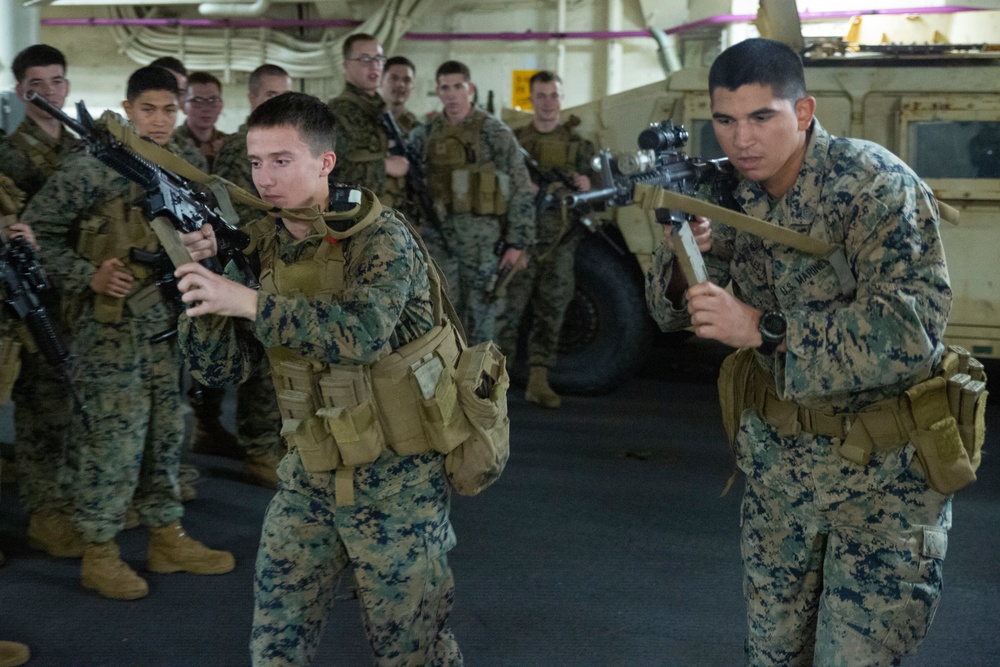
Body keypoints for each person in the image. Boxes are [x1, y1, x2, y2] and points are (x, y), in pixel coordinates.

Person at [645, 38, 954, 666]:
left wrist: (763, 328)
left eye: (763, 117)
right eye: (726, 121)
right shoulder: (729, 194)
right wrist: (686, 247)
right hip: (780, 483)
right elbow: (670, 311)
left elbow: (911, 331)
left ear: (804, 111)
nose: (742, 139)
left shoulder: (875, 185)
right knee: (773, 658)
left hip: (882, 486)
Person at [175, 91, 462, 666]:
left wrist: (251, 303)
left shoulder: (381, 236)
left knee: (413, 651)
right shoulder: (260, 244)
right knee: (275, 643)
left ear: (325, 162)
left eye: (282, 161)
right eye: (255, 163)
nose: (265, 179)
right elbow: (220, 369)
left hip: (397, 482)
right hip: (308, 473)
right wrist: (206, 282)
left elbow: (362, 335)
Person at [20, 66, 235, 601]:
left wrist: (208, 244)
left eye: (169, 109)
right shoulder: (91, 169)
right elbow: (34, 234)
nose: (160, 121)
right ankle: (100, 552)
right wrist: (86, 276)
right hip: (109, 330)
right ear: (127, 107)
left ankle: (167, 535)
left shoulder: (177, 167)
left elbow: (209, 229)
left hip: (168, 322)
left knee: (166, 434)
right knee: (111, 443)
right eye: (148, 110)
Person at [0, 44, 86, 559]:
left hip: (76, 291)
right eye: (38, 82)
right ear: (20, 90)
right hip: (31, 296)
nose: (48, 91)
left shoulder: (82, 147)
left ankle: (66, 497)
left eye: (57, 80)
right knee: (39, 407)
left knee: (70, 402)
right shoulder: (9, 153)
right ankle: (44, 512)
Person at [196, 63, 292, 484]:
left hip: (280, 256)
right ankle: (259, 449)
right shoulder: (243, 146)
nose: (278, 102)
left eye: (284, 94)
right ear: (253, 99)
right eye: (271, 95)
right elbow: (238, 209)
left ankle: (275, 439)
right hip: (249, 259)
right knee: (261, 358)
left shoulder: (285, 142)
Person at [409, 60, 534, 343]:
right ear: (438, 92)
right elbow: (410, 188)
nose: (452, 94)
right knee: (441, 320)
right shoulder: (424, 135)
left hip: (484, 245)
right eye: (445, 88)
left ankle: (483, 386)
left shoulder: (495, 133)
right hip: (438, 243)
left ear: (470, 89)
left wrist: (517, 243)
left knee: (483, 323)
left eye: (458, 86)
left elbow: (520, 187)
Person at [496, 71, 595, 408]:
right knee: (507, 313)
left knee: (552, 311)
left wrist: (586, 185)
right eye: (541, 96)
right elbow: (499, 188)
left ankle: (539, 380)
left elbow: (599, 193)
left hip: (561, 242)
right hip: (522, 242)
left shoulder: (578, 146)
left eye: (554, 95)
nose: (548, 103)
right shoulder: (516, 142)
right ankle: (496, 384)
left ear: (561, 99)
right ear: (532, 99)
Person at [326, 33, 409, 203]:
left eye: (378, 59)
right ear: (346, 65)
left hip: (389, 216)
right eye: (365, 59)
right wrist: (385, 166)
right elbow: (330, 172)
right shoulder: (336, 113)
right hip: (356, 219)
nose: (374, 66)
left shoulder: (381, 111)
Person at [173, 71, 228, 170]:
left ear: (221, 106)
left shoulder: (230, 145)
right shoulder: (172, 144)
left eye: (213, 100)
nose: (206, 108)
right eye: (197, 101)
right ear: (182, 106)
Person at [381, 55, 419, 134]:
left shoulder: (418, 131)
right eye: (394, 78)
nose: (401, 84)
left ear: (413, 86)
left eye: (407, 80)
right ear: (381, 81)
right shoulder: (364, 122)